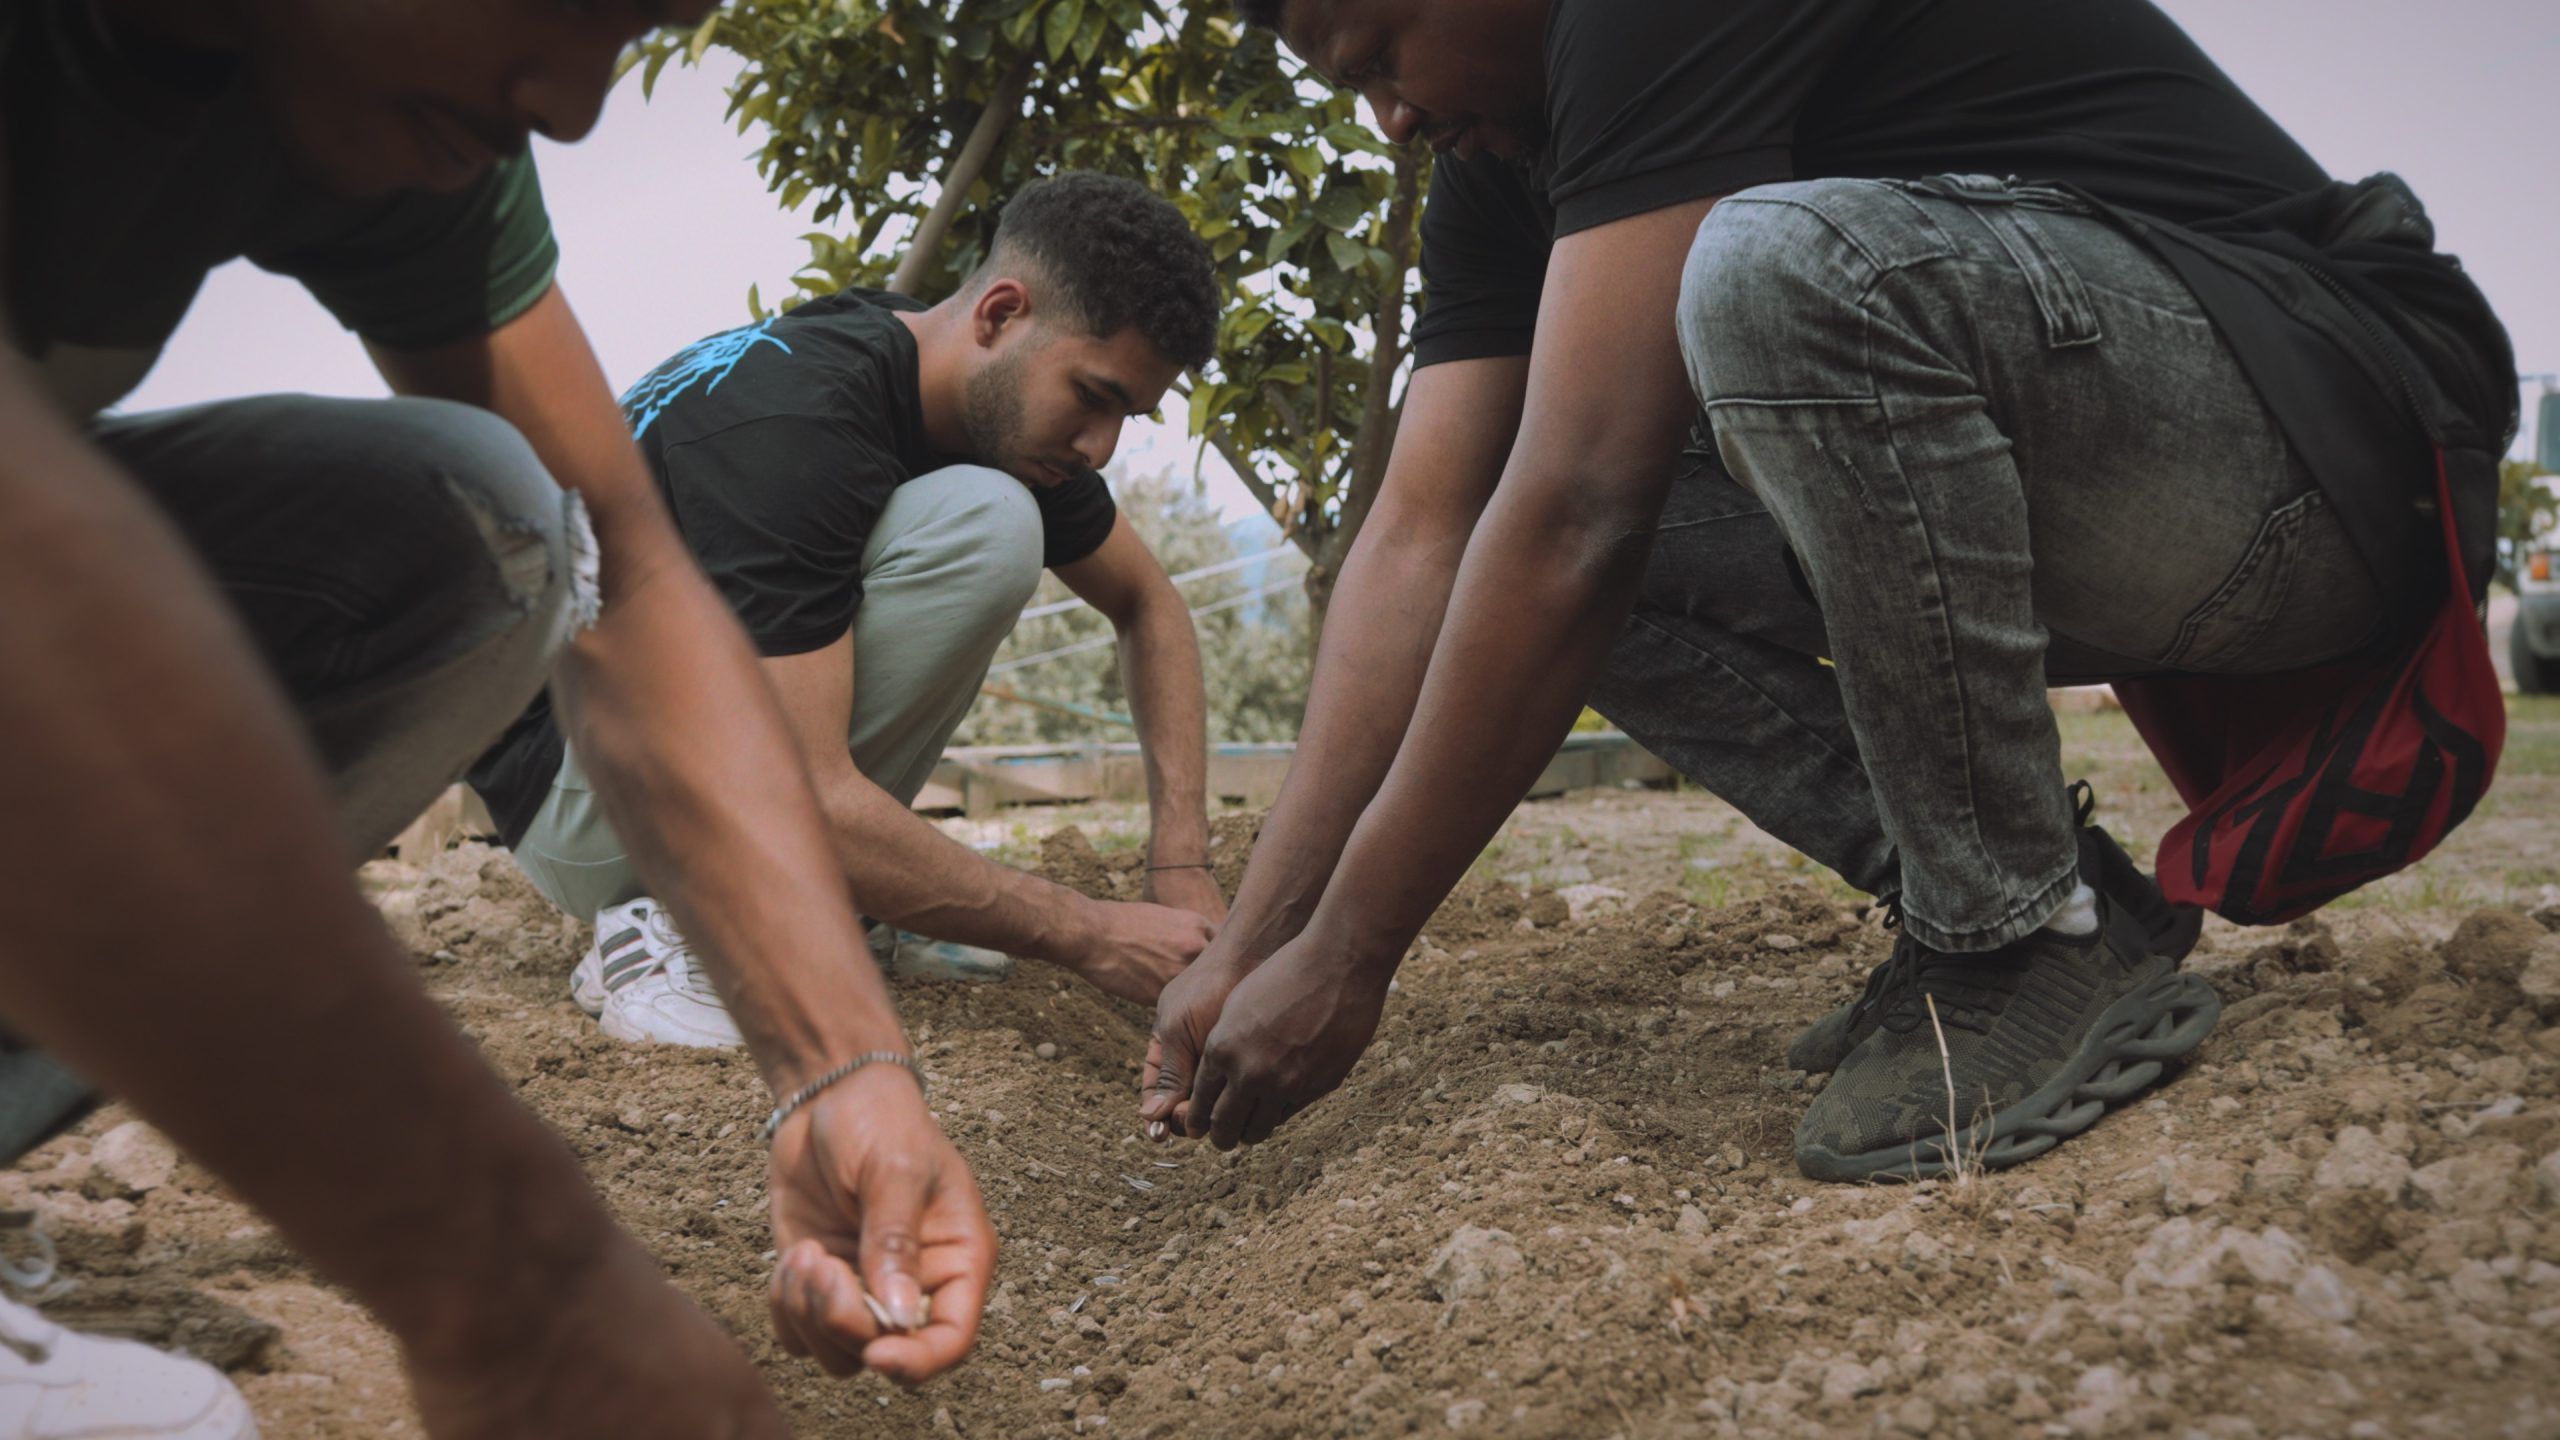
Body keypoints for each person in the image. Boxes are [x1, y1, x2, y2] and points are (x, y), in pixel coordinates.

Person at [1140, 0, 2513, 1181]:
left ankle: (2021, 938)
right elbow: (1424, 538)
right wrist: (1260, 942)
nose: (1387, 115)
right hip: (2131, 507)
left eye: (1383, 53)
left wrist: (1355, 956)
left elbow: (1577, 516)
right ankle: (2042, 897)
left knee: (1776, 279)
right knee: (1542, 555)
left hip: (2323, 452)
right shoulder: (1506, 165)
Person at [0, 0, 994, 1431]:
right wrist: (520, 1287)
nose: (577, 104)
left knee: (478, 531)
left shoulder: (374, 94)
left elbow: (631, 578)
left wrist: (840, 1064)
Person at [468, 171, 1229, 1046]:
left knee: (985, 510)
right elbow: (810, 792)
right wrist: (1086, 930)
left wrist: (1180, 862)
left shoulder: (954, 389)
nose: (1101, 447)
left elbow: (1150, 603)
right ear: (998, 314)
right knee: (990, 524)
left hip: (667, 737)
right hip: (574, 792)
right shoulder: (795, 426)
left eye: (1130, 414)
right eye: (1093, 397)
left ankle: (835, 901)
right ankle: (681, 924)